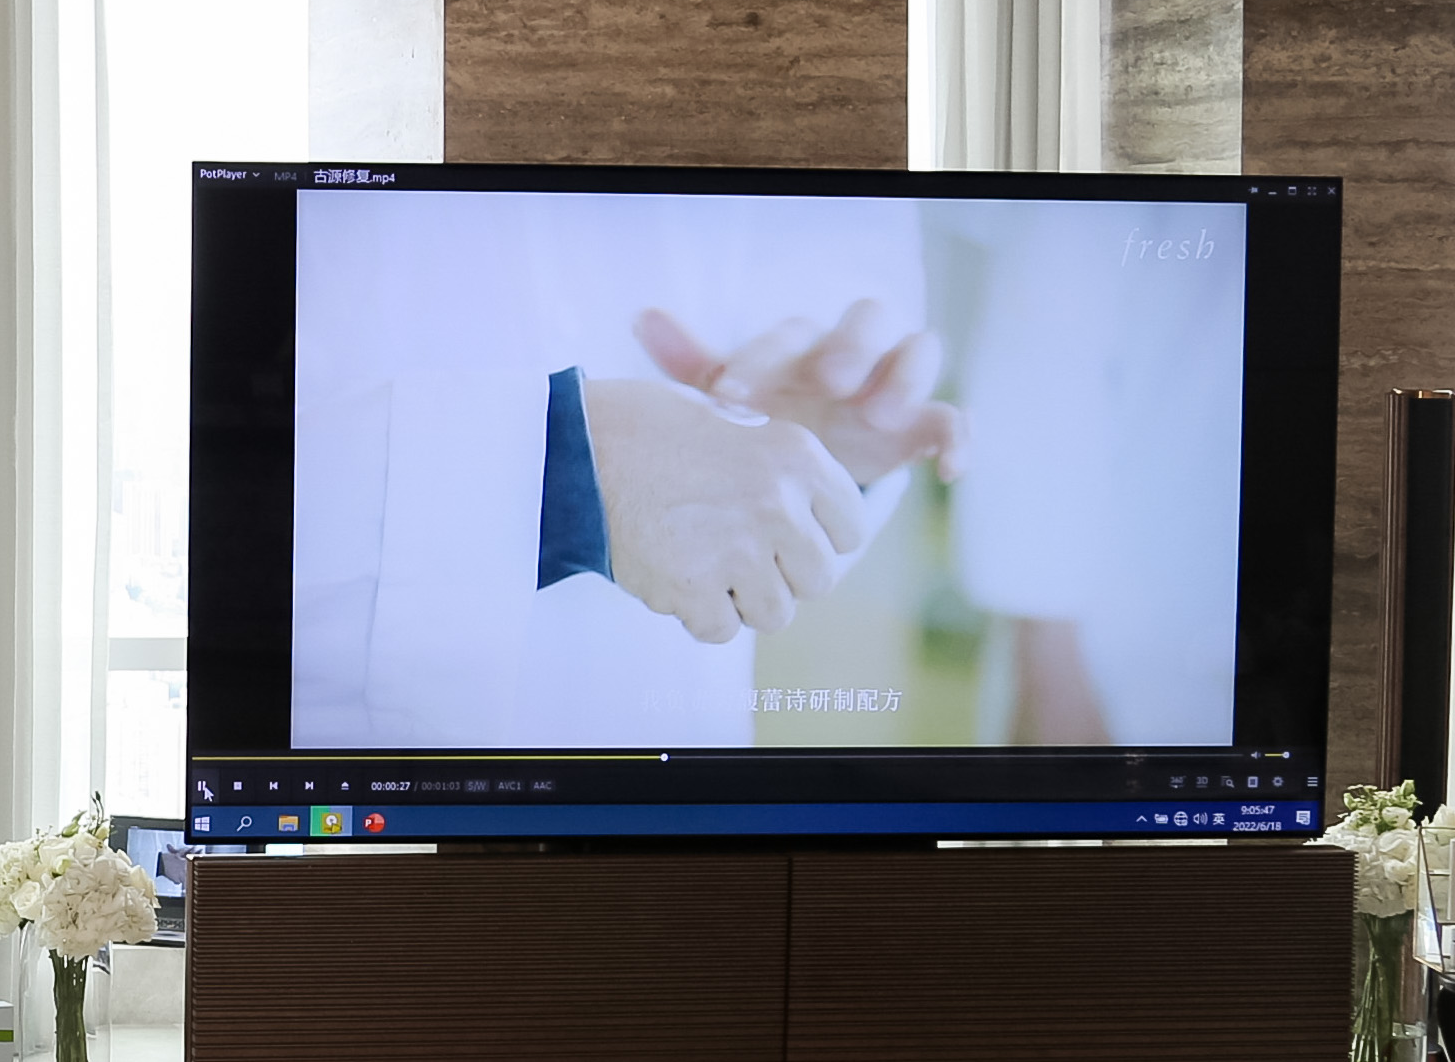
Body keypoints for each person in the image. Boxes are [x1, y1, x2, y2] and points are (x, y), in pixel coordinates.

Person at [291, 186, 962, 748]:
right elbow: (234, 507)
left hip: (665, 744)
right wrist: (564, 469)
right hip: (345, 786)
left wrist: (809, 463)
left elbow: (838, 284)